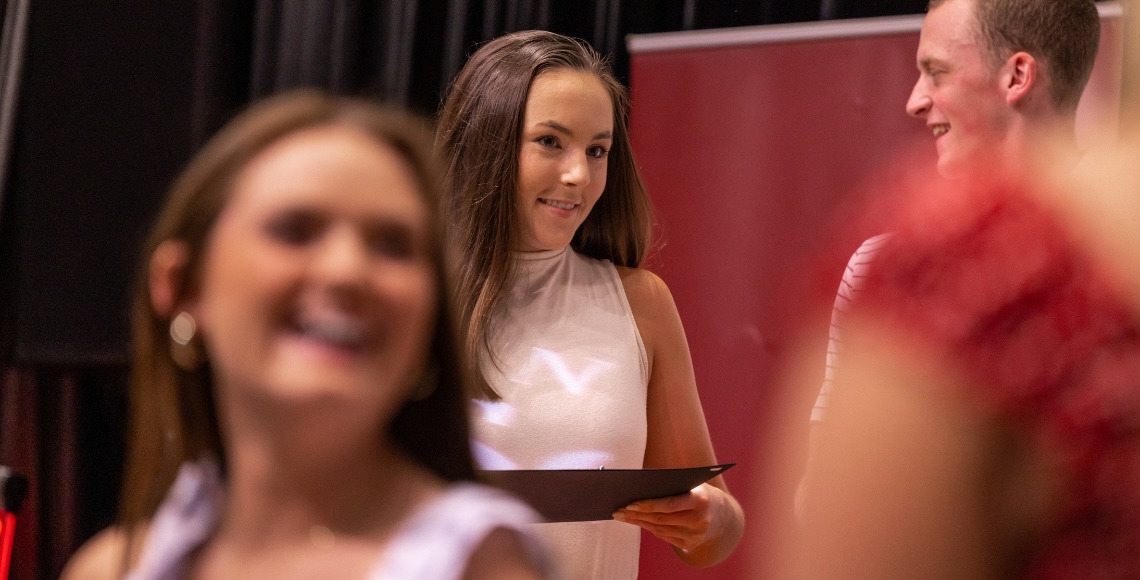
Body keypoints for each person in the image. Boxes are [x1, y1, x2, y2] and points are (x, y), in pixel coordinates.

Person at [59, 90, 555, 580]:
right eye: (295, 230)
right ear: (184, 287)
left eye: (393, 245)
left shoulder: (485, 566)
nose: (346, 271)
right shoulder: (110, 569)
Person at [435, 30, 745, 578]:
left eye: (597, 150)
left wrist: (712, 517)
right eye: (551, 142)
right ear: (489, 143)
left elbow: (711, 532)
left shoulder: (640, 303)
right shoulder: (413, 295)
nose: (579, 174)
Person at [802, 0, 1101, 500]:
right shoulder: (883, 264)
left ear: (1017, 76)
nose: (915, 101)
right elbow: (817, 493)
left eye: (936, 72)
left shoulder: (1118, 255)